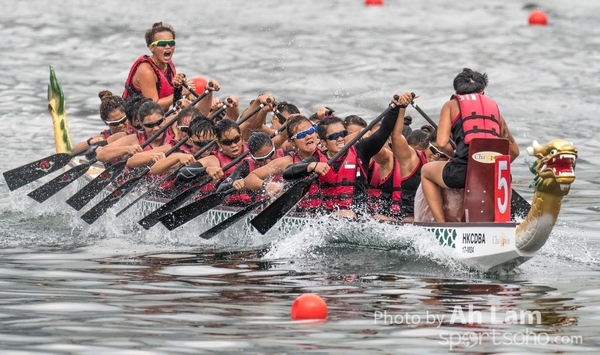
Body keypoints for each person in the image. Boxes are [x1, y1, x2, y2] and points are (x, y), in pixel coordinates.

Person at [280, 92, 414, 217]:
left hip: (359, 217)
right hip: (327, 219)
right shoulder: (316, 159)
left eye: (343, 134)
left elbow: (383, 132)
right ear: (323, 142)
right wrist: (311, 166)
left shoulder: (362, 151)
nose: (340, 139)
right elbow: (287, 173)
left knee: (353, 215)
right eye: (334, 136)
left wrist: (396, 107)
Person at [420, 68, 520, 222]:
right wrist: (489, 165)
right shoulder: (494, 108)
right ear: (482, 91)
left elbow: (441, 143)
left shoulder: (451, 105)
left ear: (457, 91)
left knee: (426, 171)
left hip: (462, 172)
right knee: (503, 174)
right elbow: (514, 151)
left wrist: (456, 157)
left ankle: (442, 225)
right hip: (496, 176)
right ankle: (501, 222)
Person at [122, 22, 216, 115]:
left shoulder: (169, 64)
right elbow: (153, 107)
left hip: (160, 118)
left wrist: (181, 87)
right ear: (151, 48)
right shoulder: (146, 70)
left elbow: (174, 100)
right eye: (162, 43)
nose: (168, 47)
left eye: (171, 43)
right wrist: (180, 92)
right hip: (138, 122)